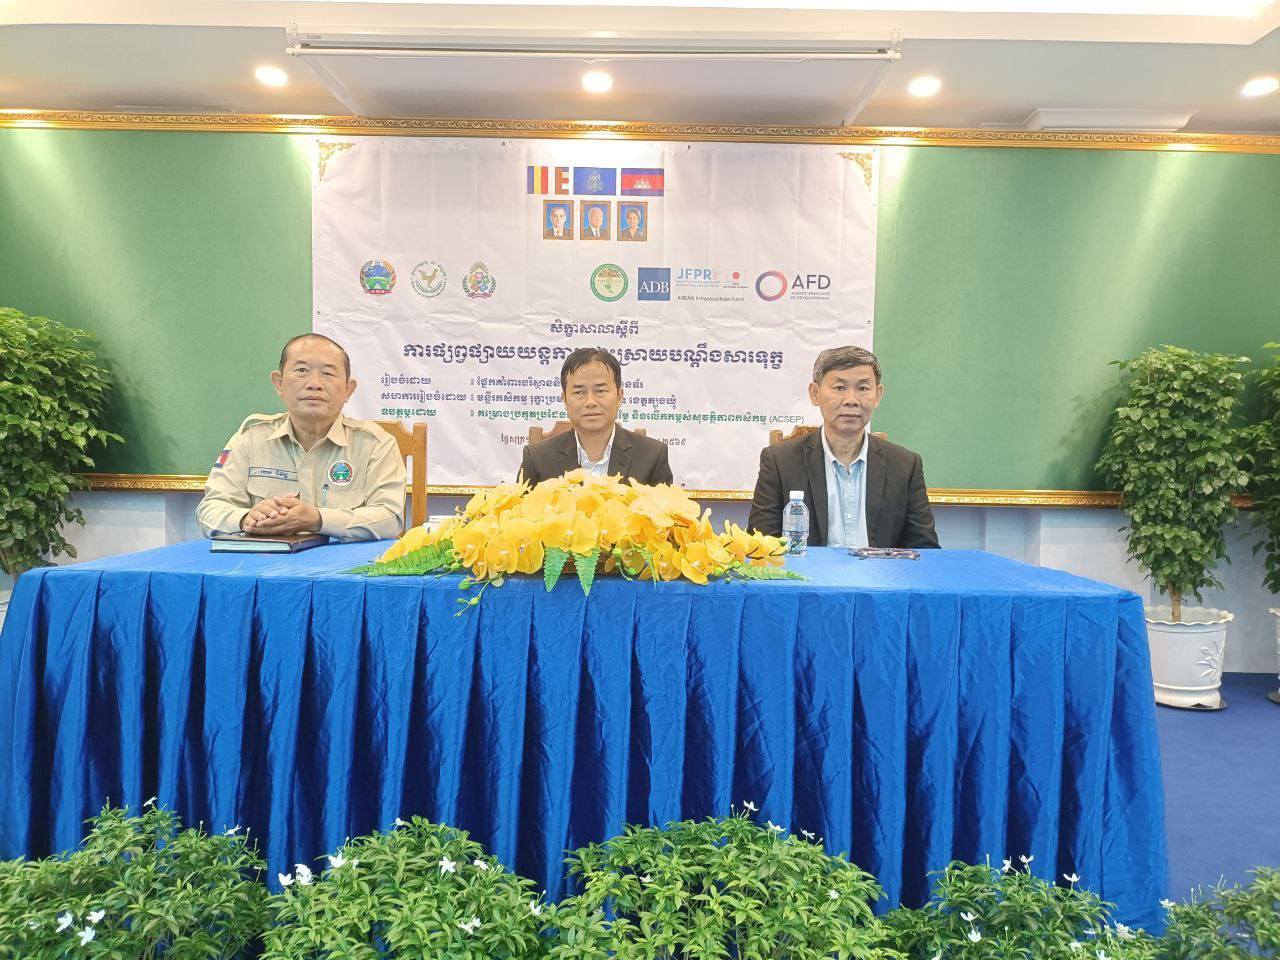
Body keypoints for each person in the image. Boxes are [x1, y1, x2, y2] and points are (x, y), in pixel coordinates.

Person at [197, 333, 406, 541]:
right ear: (279, 383)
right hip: (266, 561)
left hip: (344, 561)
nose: (314, 383)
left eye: (328, 373)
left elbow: (390, 518)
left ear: (348, 390)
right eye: (302, 371)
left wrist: (318, 520)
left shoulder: (375, 444)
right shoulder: (250, 439)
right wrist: (246, 519)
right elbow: (210, 509)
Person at [748, 346, 939, 549]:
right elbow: (760, 548)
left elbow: (925, 550)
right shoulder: (780, 462)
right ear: (815, 393)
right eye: (839, 388)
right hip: (809, 570)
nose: (851, 400)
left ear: (878, 395)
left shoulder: (905, 465)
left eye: (863, 388)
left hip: (881, 570)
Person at [519, 346, 673, 486]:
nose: (590, 402)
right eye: (579, 392)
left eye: (600, 391)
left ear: (619, 396)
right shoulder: (537, 458)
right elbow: (521, 508)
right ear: (564, 399)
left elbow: (666, 508)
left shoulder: (653, 455)